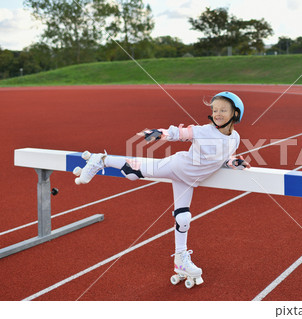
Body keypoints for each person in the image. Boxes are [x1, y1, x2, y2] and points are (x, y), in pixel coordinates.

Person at [74, 91, 250, 286]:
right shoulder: (203, 131)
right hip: (177, 167)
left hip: (190, 180)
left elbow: (225, 157)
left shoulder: (235, 138)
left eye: (223, 110)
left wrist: (235, 163)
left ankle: (180, 260)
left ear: (235, 114)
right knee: (134, 172)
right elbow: (179, 133)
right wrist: (159, 133)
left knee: (183, 217)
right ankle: (102, 159)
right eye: (215, 109)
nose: (217, 113)